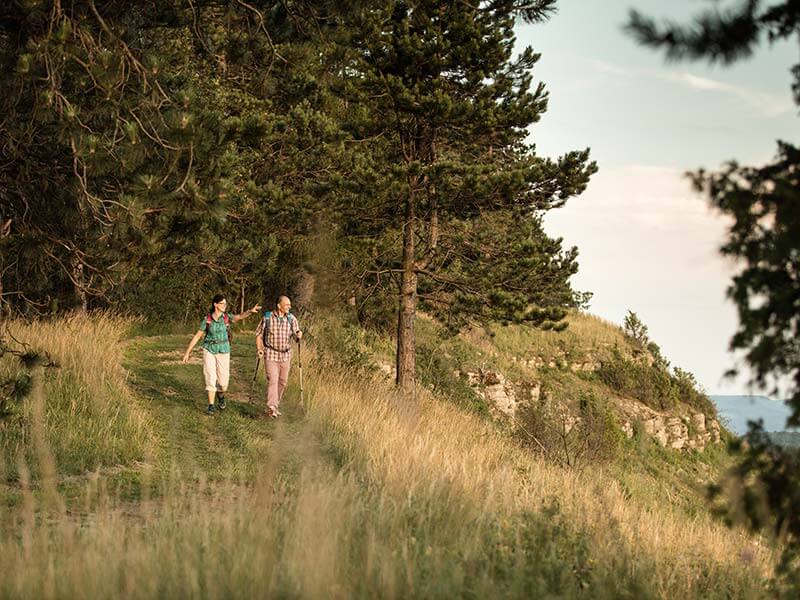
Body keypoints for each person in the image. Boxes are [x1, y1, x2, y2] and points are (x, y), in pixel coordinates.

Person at [182, 294, 261, 415]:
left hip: (224, 350)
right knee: (210, 377)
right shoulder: (207, 320)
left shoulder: (226, 317)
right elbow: (198, 336)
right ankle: (211, 405)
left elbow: (239, 317)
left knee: (223, 383)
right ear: (215, 304)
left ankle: (221, 396)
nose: (225, 305)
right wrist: (187, 352)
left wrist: (250, 311)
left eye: (225, 304)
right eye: (222, 303)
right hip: (209, 349)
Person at [255, 295, 302, 418]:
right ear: (279, 305)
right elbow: (259, 334)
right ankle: (271, 407)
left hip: (285, 355)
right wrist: (260, 348)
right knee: (273, 380)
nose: (289, 307)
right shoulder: (267, 317)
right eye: (287, 304)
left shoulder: (291, 319)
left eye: (289, 304)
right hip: (271, 353)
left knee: (283, 382)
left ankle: (275, 405)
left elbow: (296, 335)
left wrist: (299, 335)